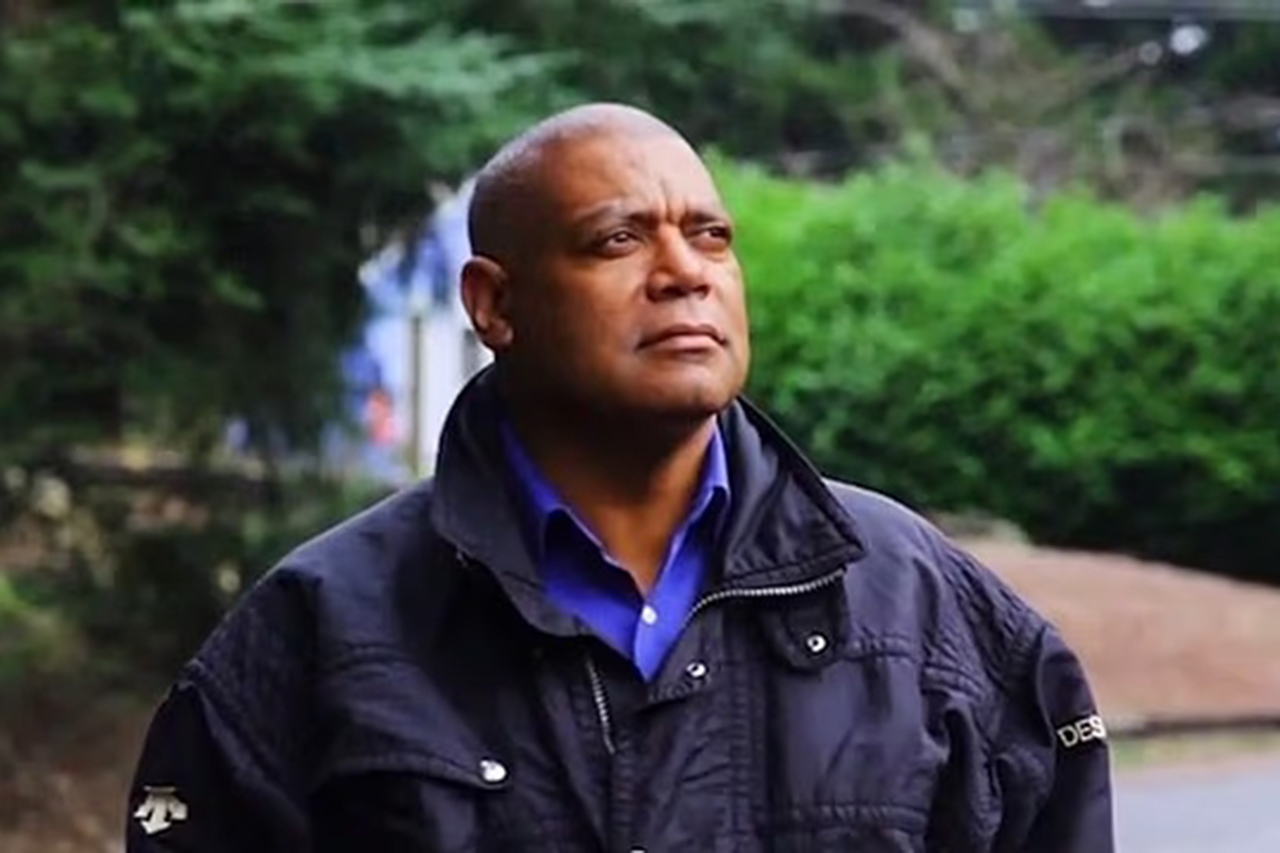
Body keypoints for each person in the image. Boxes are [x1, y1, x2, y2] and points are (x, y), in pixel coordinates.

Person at [125, 103, 1114, 852]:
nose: (685, 271)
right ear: (494, 304)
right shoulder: (324, 627)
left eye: (711, 235)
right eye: (617, 239)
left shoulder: (920, 606)